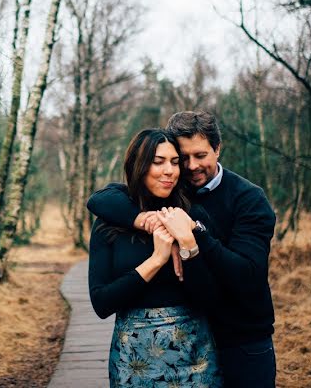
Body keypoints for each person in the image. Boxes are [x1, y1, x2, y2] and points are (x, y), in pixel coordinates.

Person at [88, 111, 276, 388]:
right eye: (179, 158)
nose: (188, 167)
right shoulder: (158, 200)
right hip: (151, 352)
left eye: (199, 156)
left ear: (218, 149)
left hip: (240, 338)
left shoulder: (245, 199)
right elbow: (100, 199)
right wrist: (148, 227)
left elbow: (246, 276)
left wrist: (191, 240)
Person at [88, 128, 223, 388]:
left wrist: (187, 244)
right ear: (138, 165)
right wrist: (156, 260)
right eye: (158, 161)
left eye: (174, 162)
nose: (169, 171)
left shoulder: (192, 217)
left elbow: (211, 298)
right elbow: (102, 303)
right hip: (134, 360)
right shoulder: (110, 224)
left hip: (195, 357)